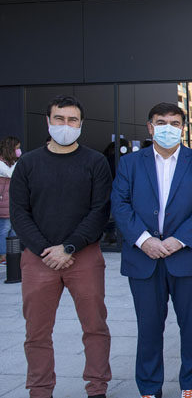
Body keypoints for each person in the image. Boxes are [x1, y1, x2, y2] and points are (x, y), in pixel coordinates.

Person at [112, 102, 192, 398]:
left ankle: (189, 385)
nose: (168, 128)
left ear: (183, 128)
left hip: (186, 257)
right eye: (161, 122)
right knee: (148, 328)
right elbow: (120, 204)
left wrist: (179, 240)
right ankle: (149, 388)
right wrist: (144, 240)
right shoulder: (131, 164)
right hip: (143, 259)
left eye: (174, 123)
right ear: (149, 127)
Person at [9, 95, 112, 398]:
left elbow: (100, 211)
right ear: (48, 121)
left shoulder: (95, 162)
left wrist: (68, 247)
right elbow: (19, 212)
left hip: (84, 256)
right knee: (37, 332)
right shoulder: (28, 163)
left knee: (95, 327)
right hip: (38, 258)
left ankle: (97, 389)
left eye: (72, 120)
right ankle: (40, 390)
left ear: (81, 124)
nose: (65, 126)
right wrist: (45, 249)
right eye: (59, 119)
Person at [0, 136, 21, 265]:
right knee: (4, 230)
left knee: (14, 230)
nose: (19, 151)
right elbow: (11, 173)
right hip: (3, 204)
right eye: (17, 148)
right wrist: (18, 162)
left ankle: (13, 255)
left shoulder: (12, 163)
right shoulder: (2, 164)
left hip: (12, 204)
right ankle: (3, 256)